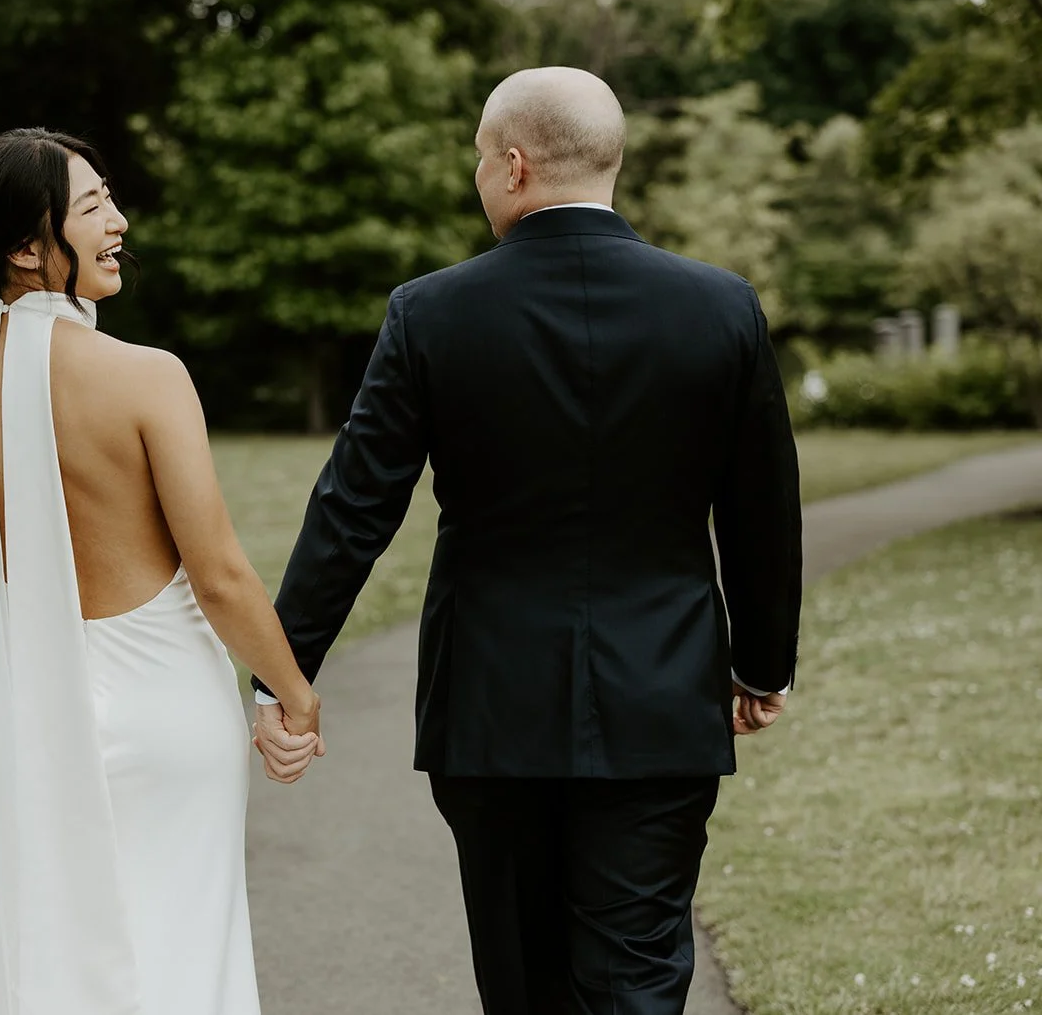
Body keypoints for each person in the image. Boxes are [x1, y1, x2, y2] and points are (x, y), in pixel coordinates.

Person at [253, 67, 802, 1015]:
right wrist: (760, 666)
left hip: (492, 708)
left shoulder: (430, 312)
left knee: (522, 984)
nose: (476, 175)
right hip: (660, 699)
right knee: (636, 979)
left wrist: (284, 673)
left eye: (477, 155)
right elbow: (762, 509)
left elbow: (355, 507)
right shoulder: (721, 307)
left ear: (513, 165)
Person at [0, 128, 322, 1015]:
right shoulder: (148, 377)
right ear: (26, 250)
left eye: (110, 198)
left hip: (14, 725)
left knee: (53, 972)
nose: (119, 221)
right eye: (93, 207)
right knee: (182, 954)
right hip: (162, 717)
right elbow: (218, 572)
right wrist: (291, 694)